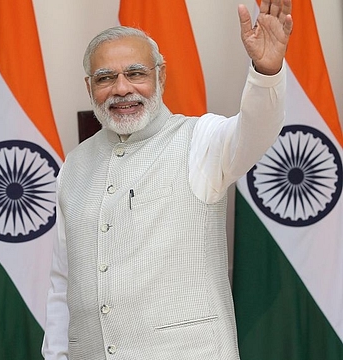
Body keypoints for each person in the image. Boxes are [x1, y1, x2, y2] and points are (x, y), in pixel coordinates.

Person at [42, 0, 293, 359]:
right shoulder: (75, 164)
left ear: (161, 76)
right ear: (89, 87)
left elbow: (257, 130)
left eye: (136, 73)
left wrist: (266, 72)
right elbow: (62, 282)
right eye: (106, 78)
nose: (121, 89)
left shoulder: (201, 139)